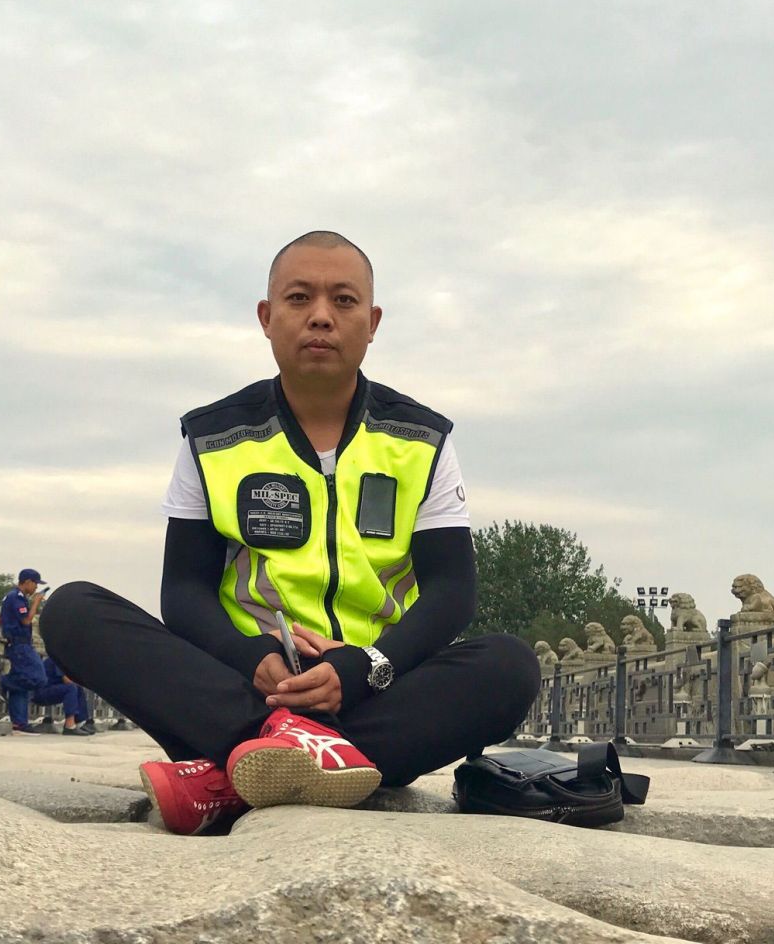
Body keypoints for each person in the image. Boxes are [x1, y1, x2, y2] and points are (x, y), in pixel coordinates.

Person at [41, 231, 540, 834]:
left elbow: (452, 592)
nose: (321, 317)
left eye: (344, 301)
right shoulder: (214, 435)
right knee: (71, 610)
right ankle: (304, 753)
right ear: (266, 317)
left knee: (511, 666)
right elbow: (184, 591)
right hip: (248, 684)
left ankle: (233, 770)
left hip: (371, 686)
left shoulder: (421, 438)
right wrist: (252, 659)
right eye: (299, 298)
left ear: (373, 323)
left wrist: (364, 668)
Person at [0, 569, 90, 736]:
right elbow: (26, 620)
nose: (35, 588)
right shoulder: (16, 597)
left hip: (21, 643)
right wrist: (36, 602)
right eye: (35, 584)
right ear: (27, 581)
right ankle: (5, 681)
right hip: (19, 644)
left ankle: (20, 724)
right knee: (37, 677)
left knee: (23, 684)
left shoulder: (16, 597)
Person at [34, 656, 95, 734]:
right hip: (40, 693)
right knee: (71, 687)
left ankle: (79, 723)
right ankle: (69, 726)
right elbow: (67, 680)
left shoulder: (65, 659)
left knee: (78, 688)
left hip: (50, 690)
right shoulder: (58, 658)